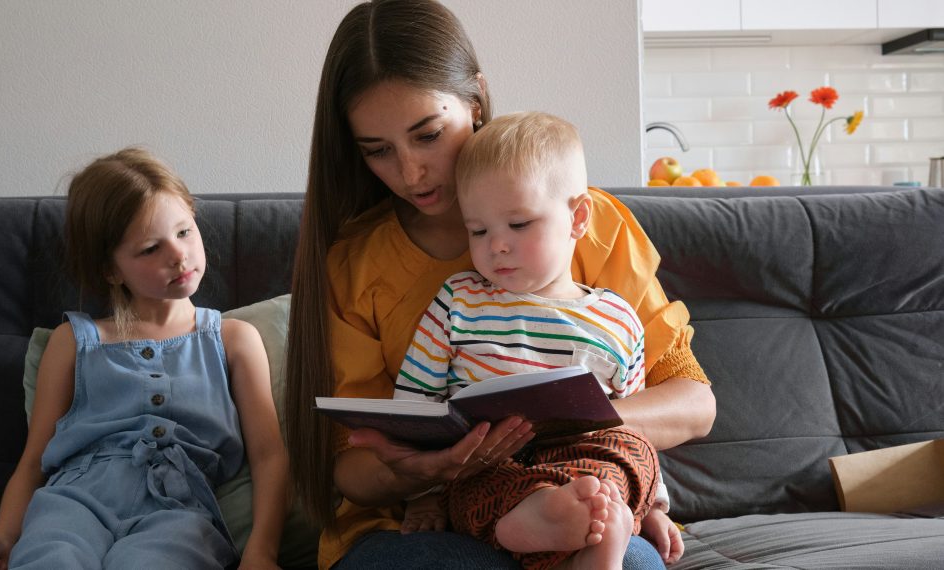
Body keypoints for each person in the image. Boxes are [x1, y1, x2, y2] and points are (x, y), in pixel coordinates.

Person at [283, 1, 713, 568]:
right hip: (413, 525)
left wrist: (564, 429)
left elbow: (693, 401)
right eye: (379, 152)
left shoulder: (586, 223)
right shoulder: (355, 264)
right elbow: (349, 468)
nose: (411, 173)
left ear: (477, 102)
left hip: (578, 489)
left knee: (626, 558)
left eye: (429, 135)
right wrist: (421, 469)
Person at [0, 148, 288, 570]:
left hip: (178, 510)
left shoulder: (233, 339)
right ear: (111, 270)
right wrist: (3, 538)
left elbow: (270, 456)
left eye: (184, 232)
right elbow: (34, 460)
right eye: (149, 249)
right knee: (51, 559)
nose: (178, 255)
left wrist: (261, 551)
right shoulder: (75, 341)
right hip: (75, 499)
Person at [393, 111, 679, 569]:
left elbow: (633, 426)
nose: (497, 246)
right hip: (493, 464)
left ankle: (602, 524)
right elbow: (418, 407)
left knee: (628, 449)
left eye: (519, 225)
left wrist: (656, 509)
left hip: (587, 465)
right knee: (480, 485)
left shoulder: (617, 317)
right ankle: (548, 519)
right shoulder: (458, 301)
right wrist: (422, 497)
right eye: (479, 230)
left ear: (578, 217)